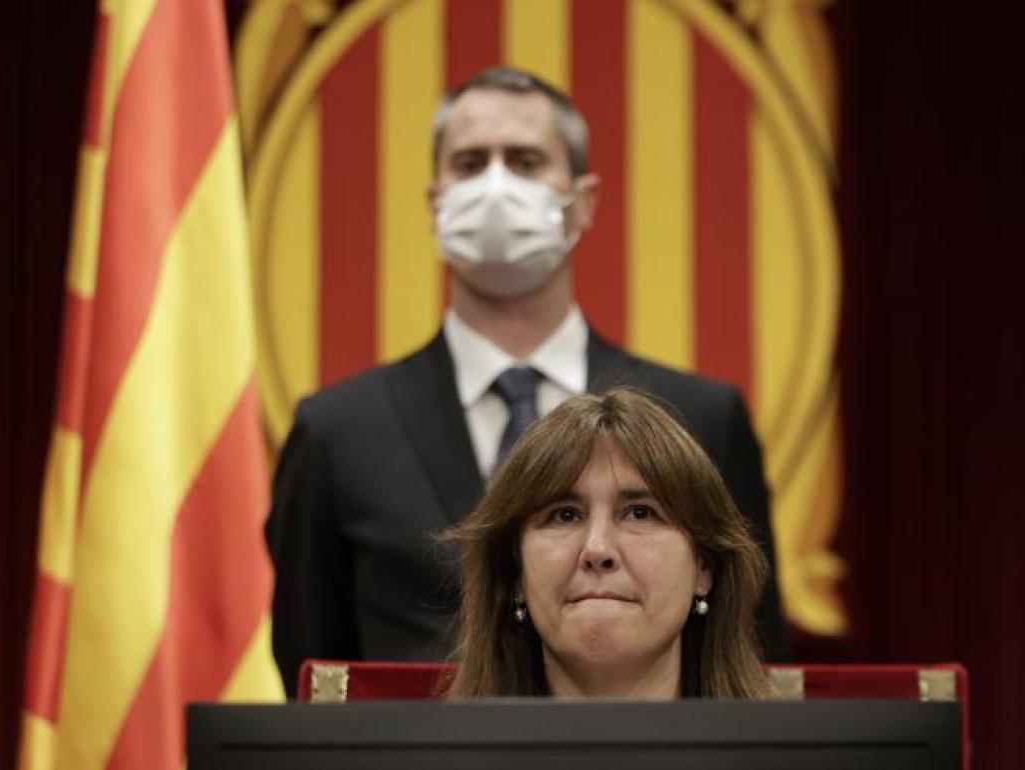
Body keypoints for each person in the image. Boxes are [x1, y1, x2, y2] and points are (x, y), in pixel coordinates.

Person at [266, 66, 785, 697]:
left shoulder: (699, 417)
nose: (495, 186)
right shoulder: (337, 430)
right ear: (436, 203)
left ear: (582, 202)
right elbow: (311, 673)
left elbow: (750, 650)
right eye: (470, 163)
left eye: (525, 161)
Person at [445, 388, 771, 699]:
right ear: (515, 572)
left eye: (640, 513)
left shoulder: (782, 742)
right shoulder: (441, 743)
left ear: (704, 567)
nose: (597, 549)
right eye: (565, 516)